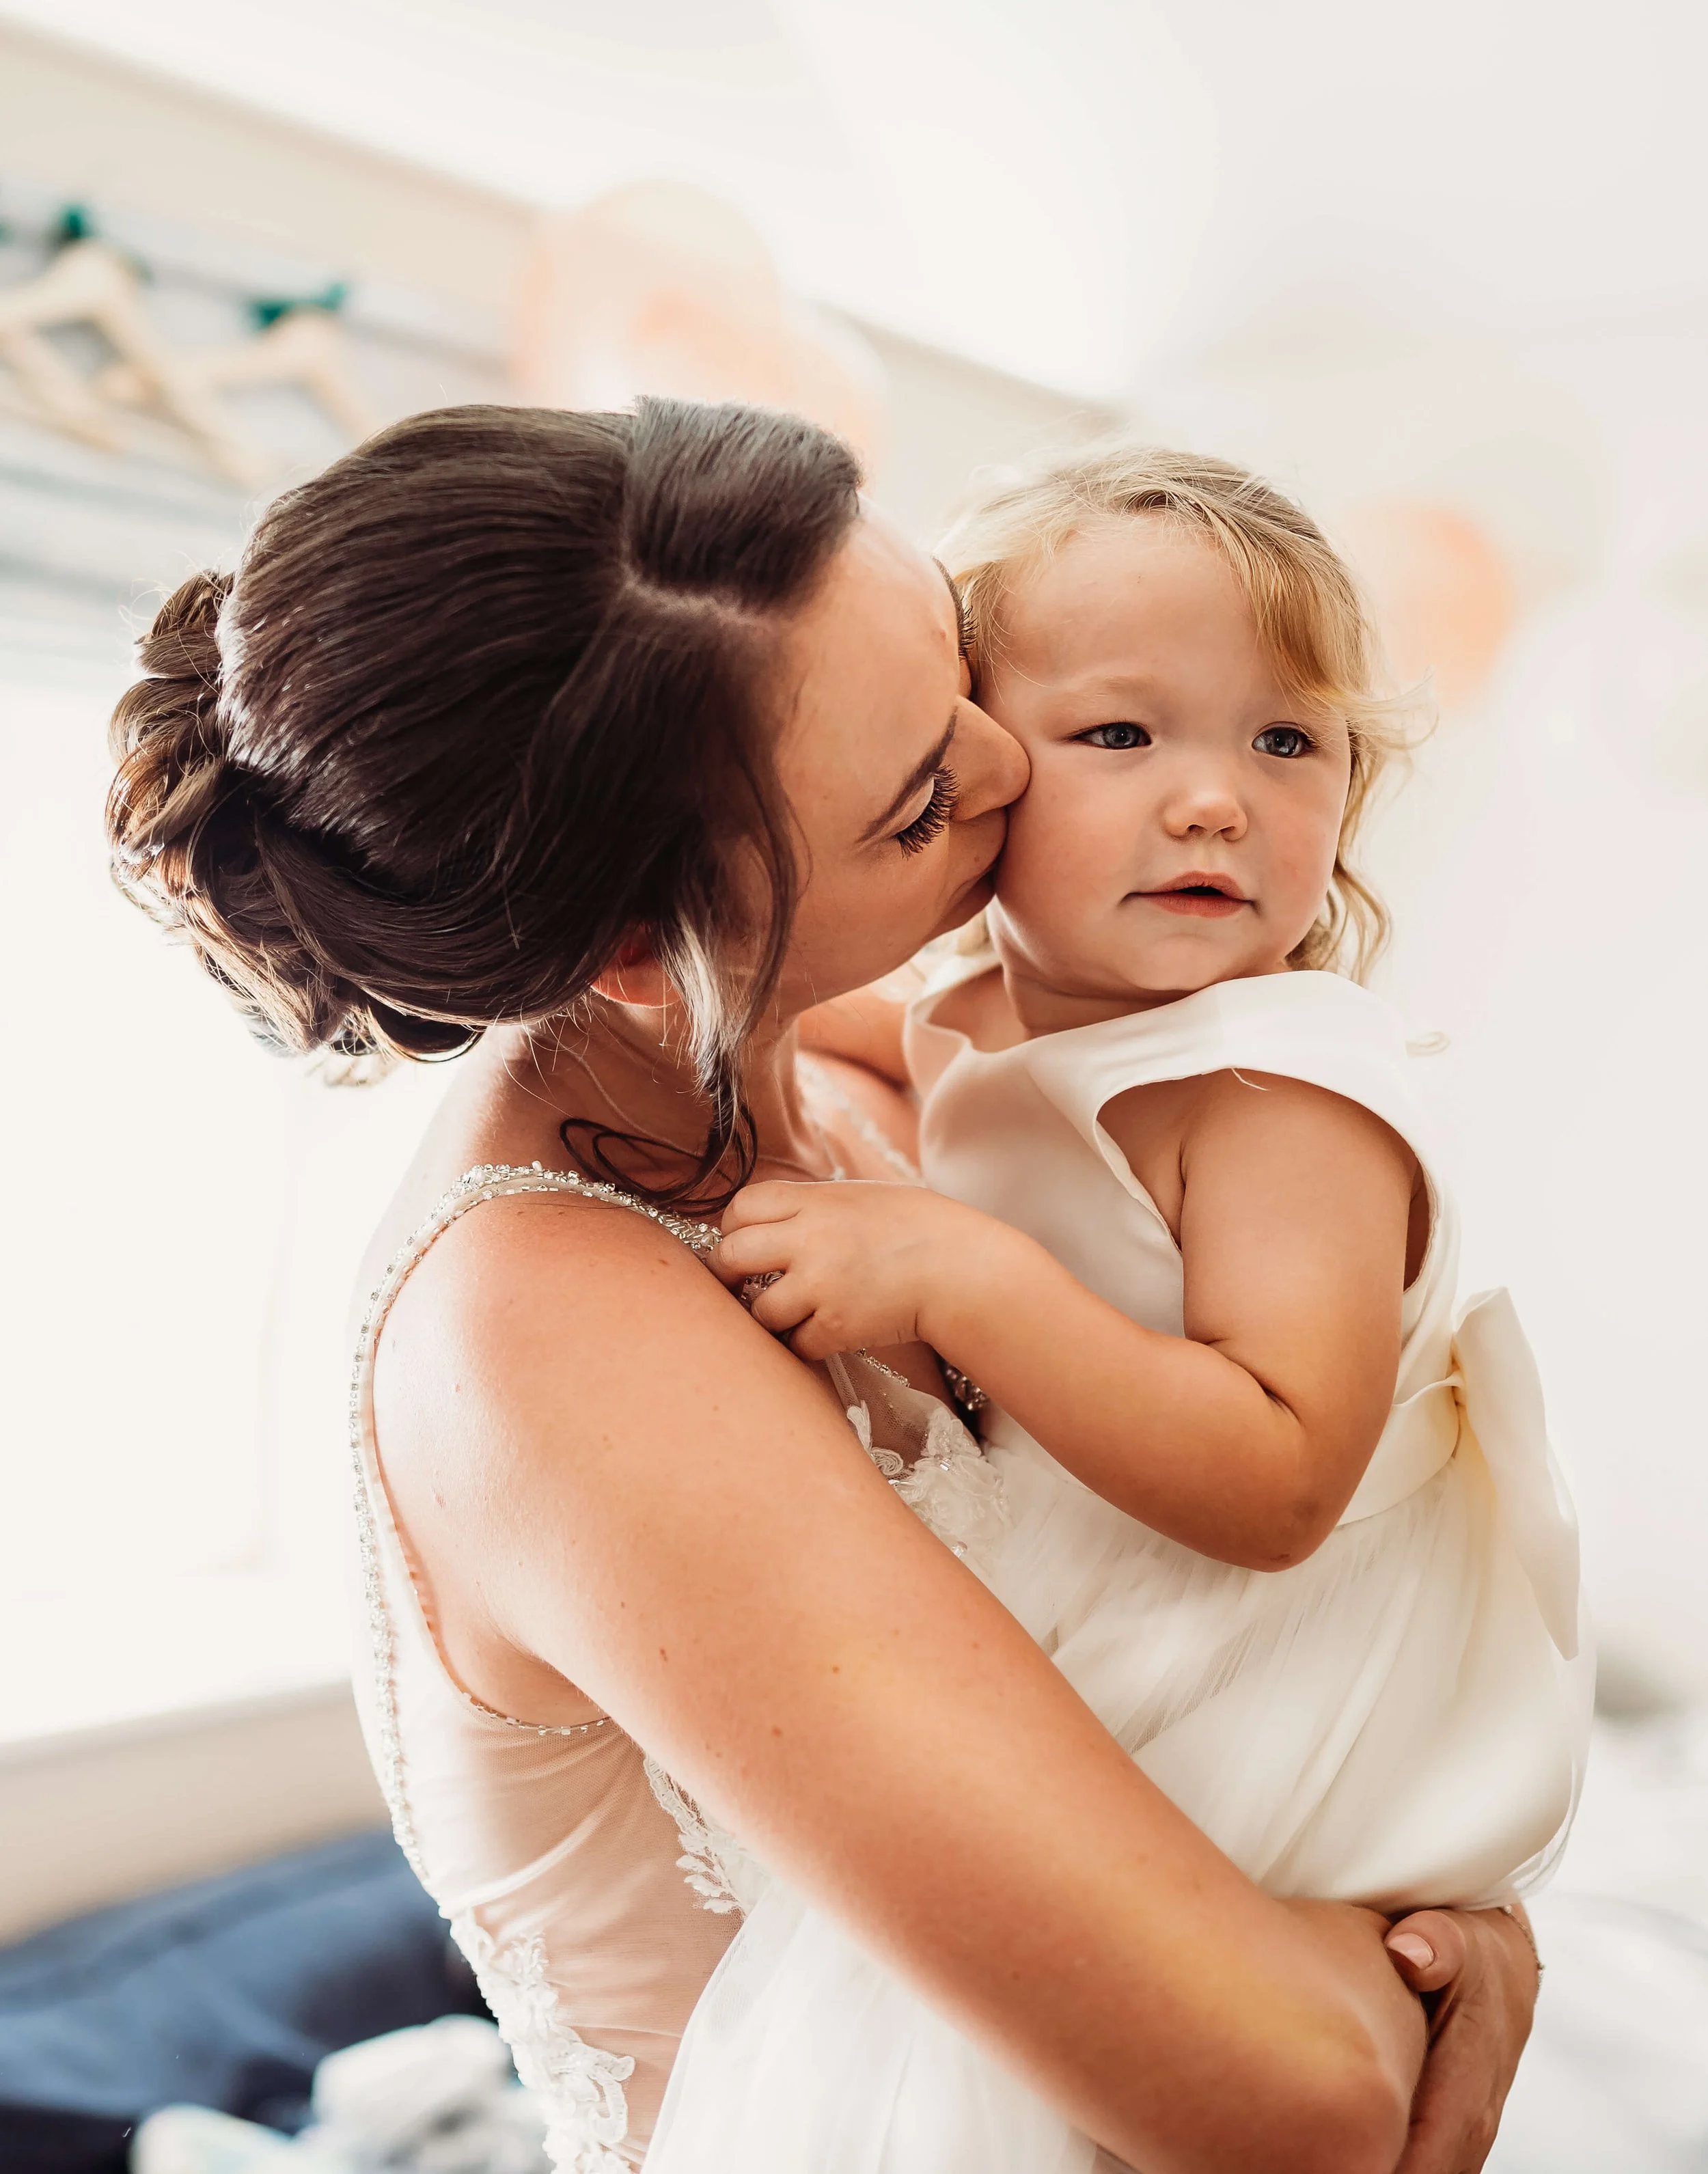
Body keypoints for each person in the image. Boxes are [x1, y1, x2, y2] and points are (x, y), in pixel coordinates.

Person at [106, 399, 1542, 2174]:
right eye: (921, 798)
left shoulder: (861, 1080)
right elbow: (1302, 2100)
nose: (1010, 765)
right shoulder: (547, 1332)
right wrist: (1447, 1966)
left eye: (957, 663)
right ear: (643, 952)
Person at [657, 445, 1589, 2171]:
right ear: (974, 774)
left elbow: (1278, 1481)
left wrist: (957, 1269)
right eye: (1120, 735)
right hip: (1098, 1646)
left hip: (1253, 1691)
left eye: (1284, 740)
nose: (1216, 799)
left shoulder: (1275, 1093)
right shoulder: (987, 1008)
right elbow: (896, 1056)